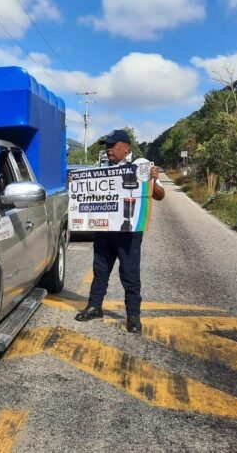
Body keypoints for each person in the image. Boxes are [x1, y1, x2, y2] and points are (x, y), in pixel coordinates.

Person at [74, 129, 165, 333]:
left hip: (129, 232)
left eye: (112, 146)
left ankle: (133, 316)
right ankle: (94, 306)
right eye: (107, 147)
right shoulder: (104, 168)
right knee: (100, 270)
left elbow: (160, 196)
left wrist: (153, 180)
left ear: (126, 147)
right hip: (105, 231)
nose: (108, 150)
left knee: (130, 273)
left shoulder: (142, 166)